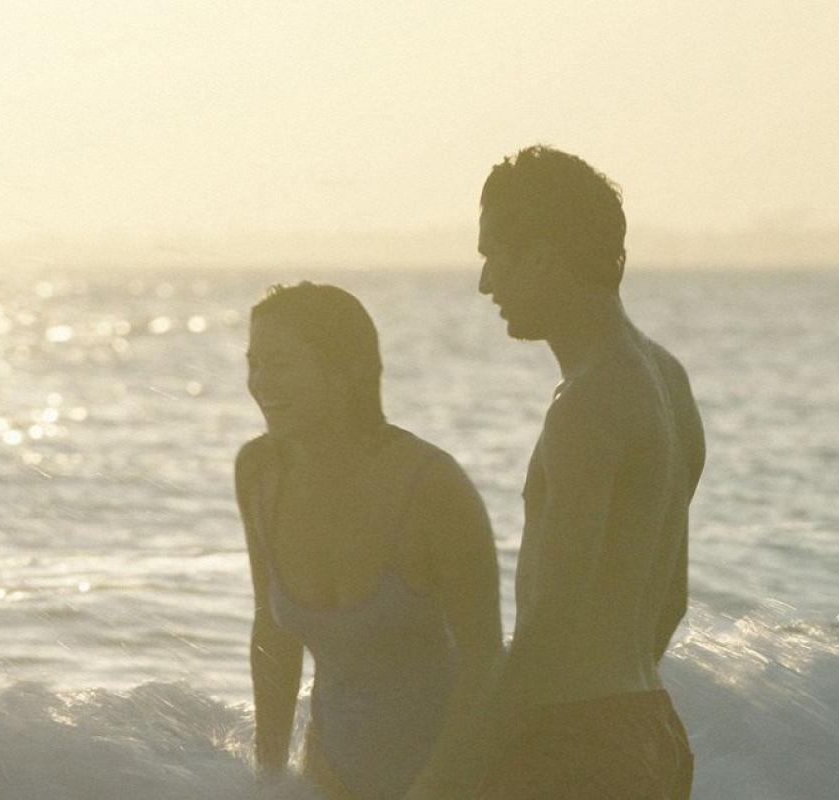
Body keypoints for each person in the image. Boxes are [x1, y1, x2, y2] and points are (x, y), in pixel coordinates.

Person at [420, 145, 706, 799]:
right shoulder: (667, 379)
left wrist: (451, 775)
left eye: (494, 256)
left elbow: (551, 627)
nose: (485, 284)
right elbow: (670, 600)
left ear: (542, 257)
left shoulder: (587, 406)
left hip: (574, 748)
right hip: (651, 730)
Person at [235, 282, 502, 800]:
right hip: (327, 777)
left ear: (347, 371)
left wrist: (436, 788)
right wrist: (269, 780)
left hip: (450, 783)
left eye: (280, 364)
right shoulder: (259, 473)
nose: (260, 382)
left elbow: (485, 662)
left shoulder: (432, 485)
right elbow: (274, 634)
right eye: (254, 364)